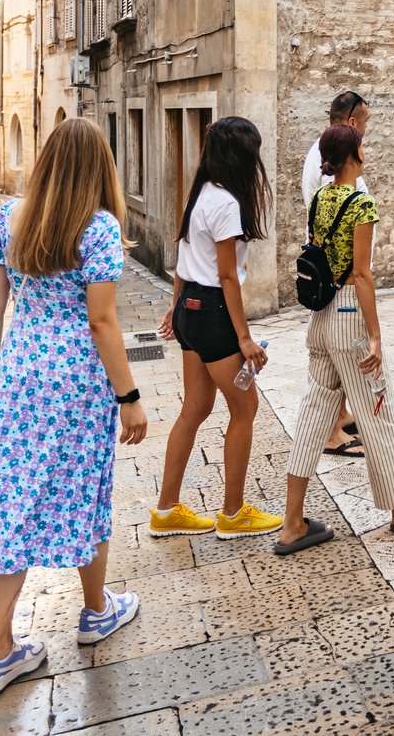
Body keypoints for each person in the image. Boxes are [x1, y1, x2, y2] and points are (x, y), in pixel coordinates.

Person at [0, 118, 148, 700]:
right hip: (75, 377)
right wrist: (130, 397)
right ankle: (95, 611)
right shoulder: (98, 227)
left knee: (8, 493)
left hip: (17, 369)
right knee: (86, 487)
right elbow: (102, 321)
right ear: (100, 166)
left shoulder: (10, 218)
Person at [276, 124, 394, 554]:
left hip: (320, 318)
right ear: (354, 154)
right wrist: (375, 335)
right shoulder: (361, 203)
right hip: (350, 314)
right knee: (376, 408)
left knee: (314, 415)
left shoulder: (319, 199)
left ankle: (292, 522)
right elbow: (361, 273)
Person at [149, 117, 282, 539]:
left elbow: (184, 258)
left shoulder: (201, 194)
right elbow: (227, 277)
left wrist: (175, 310)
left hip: (191, 306)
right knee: (245, 410)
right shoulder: (226, 203)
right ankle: (233, 513)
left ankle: (167, 510)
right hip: (212, 311)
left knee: (195, 407)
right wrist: (243, 338)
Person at [301, 90, 372, 459]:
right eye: (364, 124)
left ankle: (339, 416)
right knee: (339, 357)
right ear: (351, 123)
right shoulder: (328, 165)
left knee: (332, 356)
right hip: (340, 280)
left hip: (338, 275)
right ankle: (329, 431)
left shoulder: (325, 153)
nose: (366, 133)